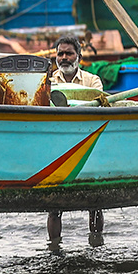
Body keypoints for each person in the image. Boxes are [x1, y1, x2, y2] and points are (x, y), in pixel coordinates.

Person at [45, 35, 105, 247]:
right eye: (60, 53)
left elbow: (99, 106)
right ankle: (54, 248)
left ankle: (96, 246)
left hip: (88, 143)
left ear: (78, 56)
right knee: (54, 204)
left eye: (69, 53)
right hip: (57, 146)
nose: (64, 58)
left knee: (95, 201)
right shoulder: (48, 81)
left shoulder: (92, 80)